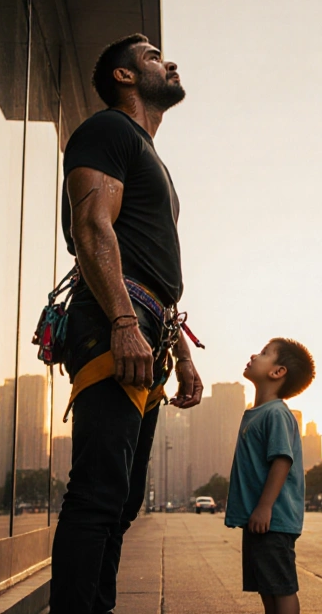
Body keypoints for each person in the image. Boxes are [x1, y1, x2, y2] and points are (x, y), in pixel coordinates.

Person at [50, 33, 205, 614]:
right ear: (124, 77)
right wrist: (121, 321)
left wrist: (182, 355)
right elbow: (92, 226)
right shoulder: (108, 130)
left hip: (149, 328)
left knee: (122, 498)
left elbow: (154, 266)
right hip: (116, 320)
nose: (169, 62)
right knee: (98, 492)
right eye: (152, 58)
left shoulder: (148, 155)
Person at [225, 338, 315, 614]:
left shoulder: (276, 413)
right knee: (267, 588)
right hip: (259, 520)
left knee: (281, 588)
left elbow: (282, 461)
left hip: (272, 520)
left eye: (265, 353)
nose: (255, 355)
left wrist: (264, 507)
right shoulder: (257, 413)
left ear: (278, 372)